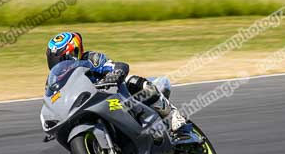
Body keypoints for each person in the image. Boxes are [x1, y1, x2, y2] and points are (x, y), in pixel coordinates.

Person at [45, 31, 187, 131]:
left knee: (133, 81)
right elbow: (52, 98)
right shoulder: (55, 79)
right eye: (54, 59)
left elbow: (118, 66)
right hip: (88, 106)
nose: (57, 63)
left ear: (75, 52)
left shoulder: (91, 59)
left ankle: (172, 115)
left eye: (62, 58)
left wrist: (115, 73)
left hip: (115, 96)